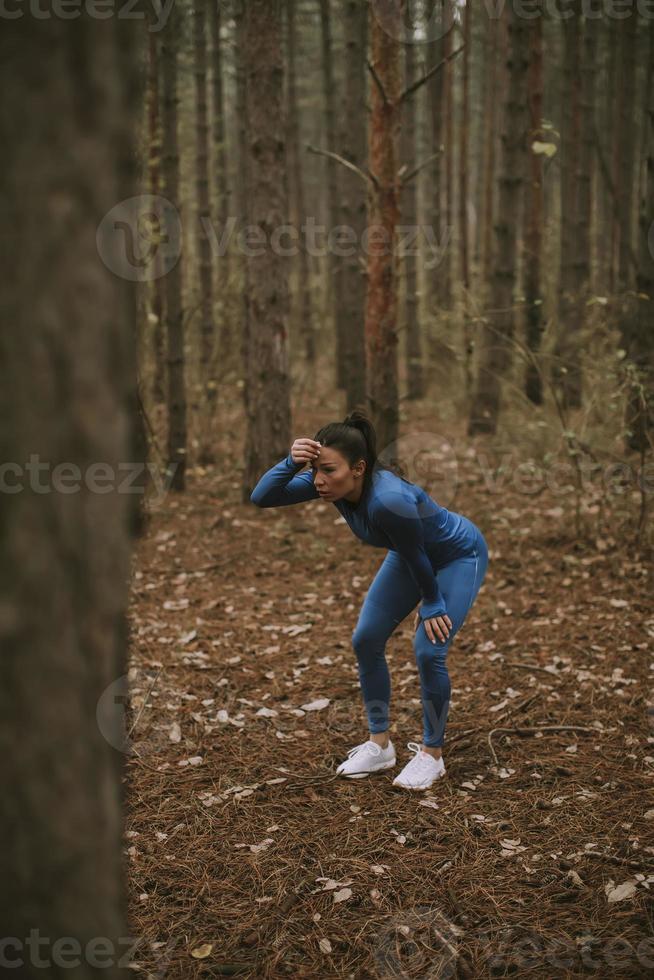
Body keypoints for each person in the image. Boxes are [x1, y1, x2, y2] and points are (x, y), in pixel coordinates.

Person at [249, 409, 488, 791]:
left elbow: (418, 555)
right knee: (366, 639)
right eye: (315, 470)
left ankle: (432, 755)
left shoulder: (387, 500)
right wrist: (289, 460)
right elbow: (262, 497)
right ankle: (381, 746)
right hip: (411, 555)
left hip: (457, 555)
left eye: (328, 470)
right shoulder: (332, 483)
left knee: (428, 650)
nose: (319, 480)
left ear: (358, 468)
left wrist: (432, 603)